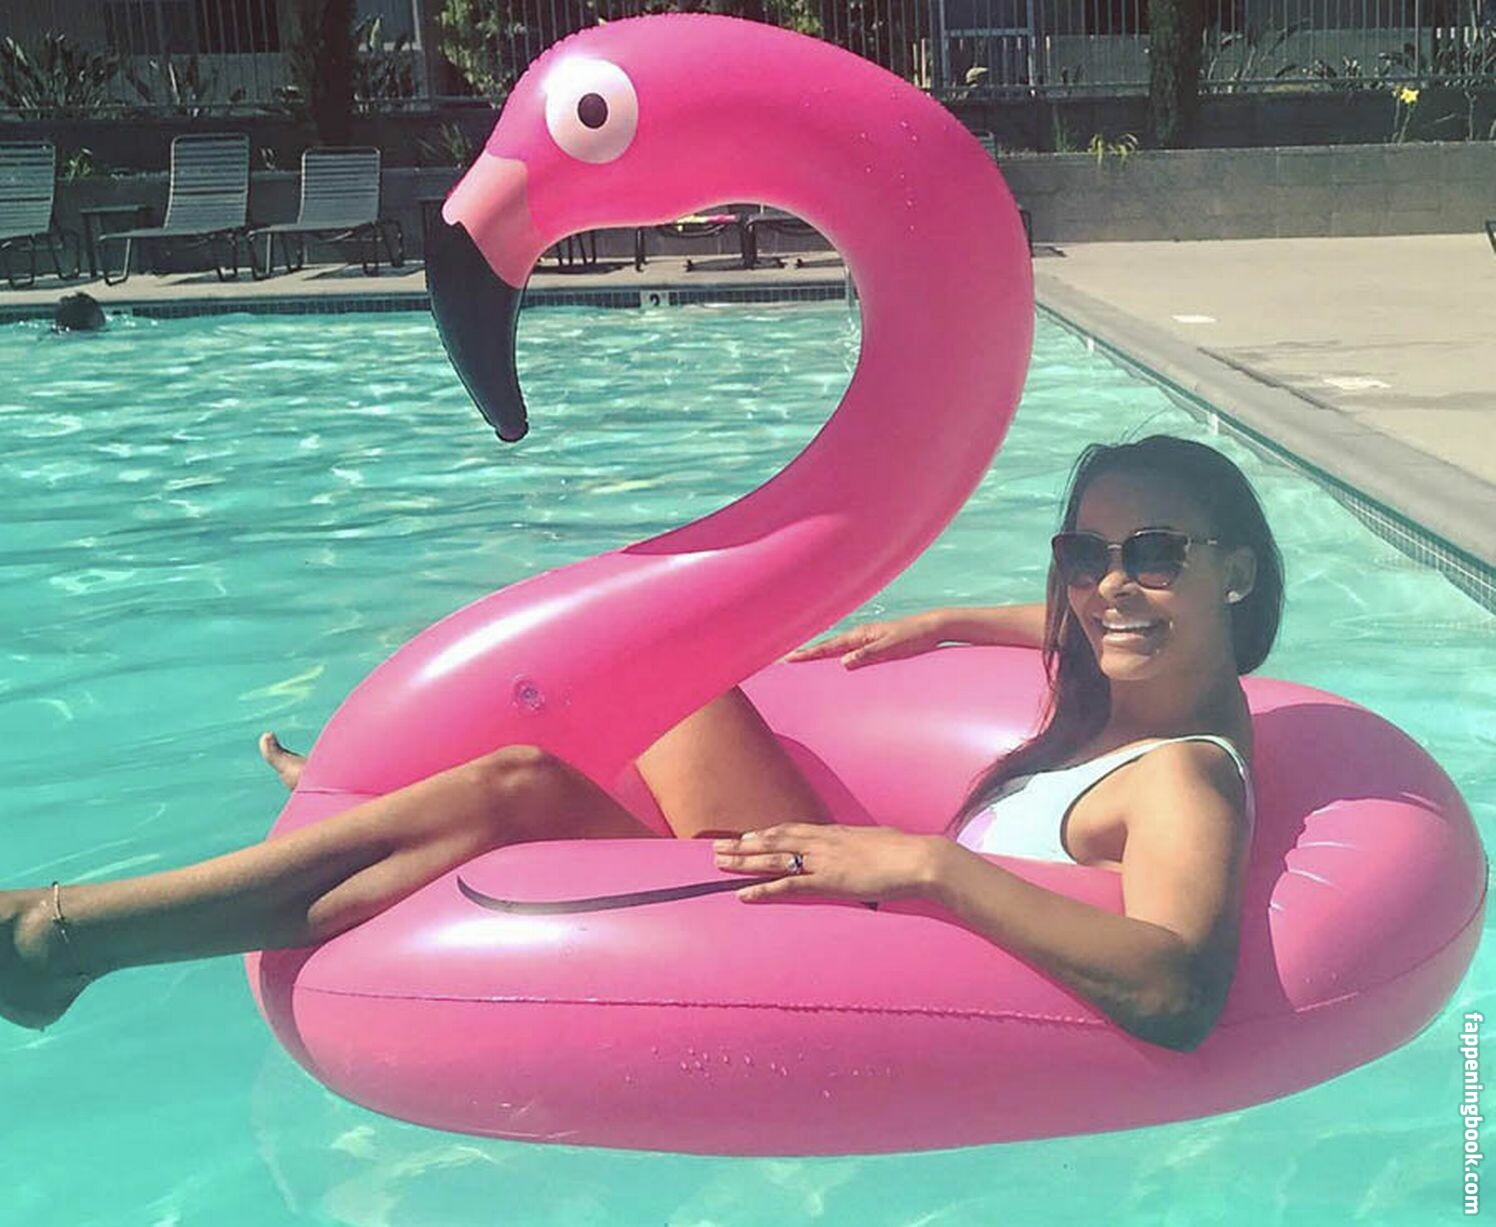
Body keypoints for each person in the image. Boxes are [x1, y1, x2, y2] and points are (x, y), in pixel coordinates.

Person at [0, 433, 1282, 1052]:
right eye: (1081, 553)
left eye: (1151, 553)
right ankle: (367, 794)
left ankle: (67, 935)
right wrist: (950, 617)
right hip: (845, 886)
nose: (1108, 587)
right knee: (668, 681)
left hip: (857, 953)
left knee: (516, 789)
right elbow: (1080, 616)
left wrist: (924, 865)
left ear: (1232, 572)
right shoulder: (1124, 670)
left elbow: (1176, 992)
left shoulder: (1180, 777)